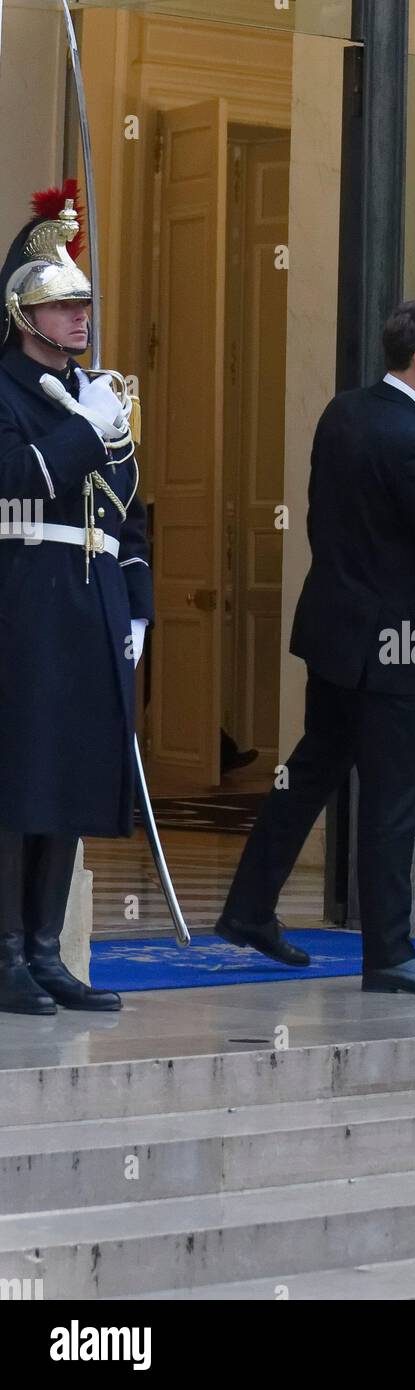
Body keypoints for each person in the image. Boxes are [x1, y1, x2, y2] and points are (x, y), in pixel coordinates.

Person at [216, 296, 415, 996]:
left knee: (310, 770)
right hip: (388, 646)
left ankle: (248, 908)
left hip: (335, 635)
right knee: (392, 798)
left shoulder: (344, 413)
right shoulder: (414, 442)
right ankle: (391, 954)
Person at [0, 187, 154, 1015]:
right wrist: (85, 431)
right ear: (23, 312)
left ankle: (46, 948)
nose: (80, 316)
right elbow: (11, 483)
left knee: (67, 777)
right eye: (62, 305)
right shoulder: (7, 391)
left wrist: (136, 604)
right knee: (19, 778)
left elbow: (129, 507)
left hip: (91, 596)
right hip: (22, 597)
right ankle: (5, 955)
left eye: (84, 302)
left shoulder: (98, 391)